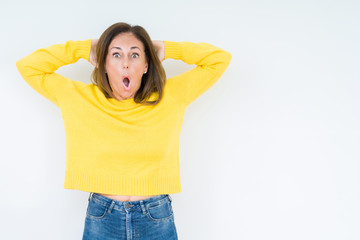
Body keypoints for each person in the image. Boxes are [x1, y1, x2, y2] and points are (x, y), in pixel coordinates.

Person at [16, 22, 232, 239]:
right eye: (116, 55)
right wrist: (84, 48)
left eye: (135, 55)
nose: (126, 63)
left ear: (147, 65)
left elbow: (219, 59)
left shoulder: (170, 96)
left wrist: (166, 48)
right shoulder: (79, 98)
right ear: (103, 64)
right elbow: (28, 66)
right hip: (102, 216)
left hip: (156, 216)